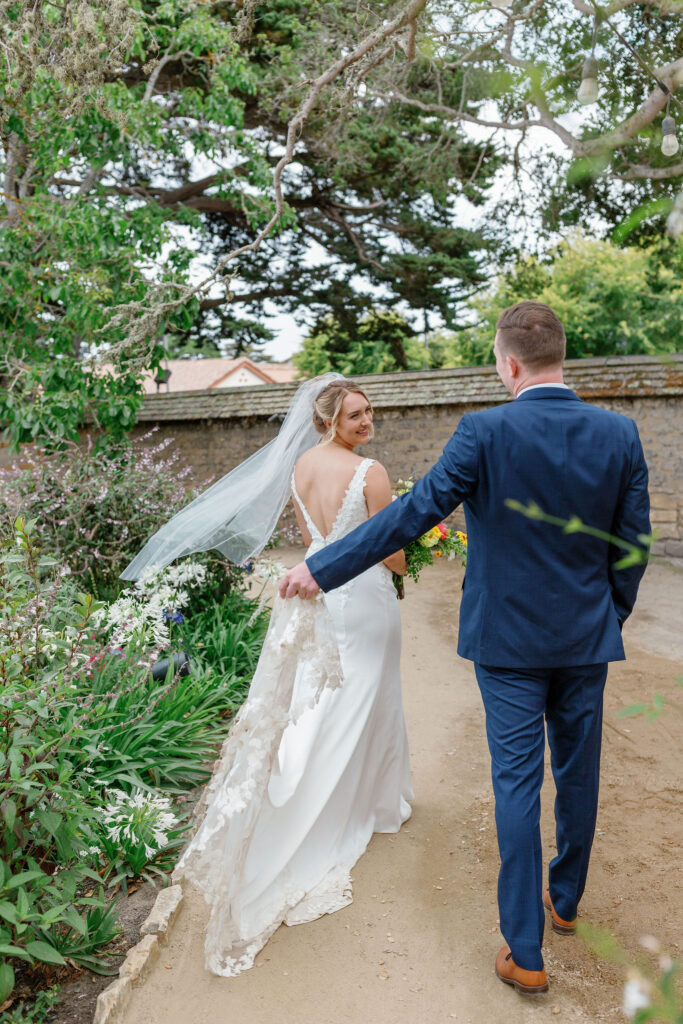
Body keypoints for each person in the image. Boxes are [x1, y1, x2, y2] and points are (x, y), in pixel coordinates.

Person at [279, 301, 651, 994]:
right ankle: (563, 901)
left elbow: (411, 516)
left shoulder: (481, 431)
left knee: (514, 782)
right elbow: (631, 547)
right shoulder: (620, 433)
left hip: (505, 643)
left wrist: (318, 566)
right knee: (576, 772)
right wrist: (607, 615)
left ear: (507, 363)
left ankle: (525, 953)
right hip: (584, 639)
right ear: (557, 356)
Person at [122, 376, 412, 977]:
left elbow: (313, 543)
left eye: (369, 411)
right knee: (362, 704)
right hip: (366, 599)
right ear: (332, 419)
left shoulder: (300, 466)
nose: (368, 421)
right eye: (356, 414)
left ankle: (323, 797)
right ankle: (359, 807)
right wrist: (419, 543)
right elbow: (393, 553)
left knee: (328, 705)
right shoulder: (373, 472)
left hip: (324, 595)